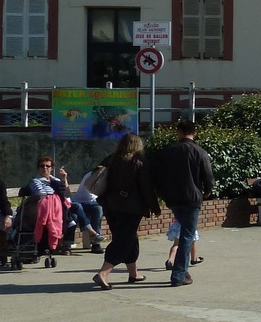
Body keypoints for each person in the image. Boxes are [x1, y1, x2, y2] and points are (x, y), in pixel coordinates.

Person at [92, 134, 161, 290]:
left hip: (110, 205)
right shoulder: (139, 162)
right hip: (130, 207)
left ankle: (133, 273)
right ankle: (103, 273)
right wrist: (154, 208)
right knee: (123, 240)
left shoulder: (110, 159)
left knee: (127, 237)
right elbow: (146, 188)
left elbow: (96, 175)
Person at [157, 120, 215, 287]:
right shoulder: (200, 152)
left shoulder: (168, 152)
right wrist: (207, 191)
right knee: (187, 236)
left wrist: (164, 194)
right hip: (192, 198)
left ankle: (182, 270)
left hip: (173, 198)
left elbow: (160, 175)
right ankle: (179, 274)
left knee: (184, 233)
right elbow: (208, 176)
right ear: (194, 133)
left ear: (179, 132)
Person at [28, 156, 71, 254]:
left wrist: (64, 179)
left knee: (77, 209)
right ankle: (64, 244)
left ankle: (66, 244)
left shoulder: (56, 181)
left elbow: (67, 194)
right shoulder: (36, 181)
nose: (45, 168)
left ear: (52, 168)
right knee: (73, 212)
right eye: (42, 166)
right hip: (45, 208)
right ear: (38, 168)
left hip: (59, 206)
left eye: (47, 166)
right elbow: (41, 195)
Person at [70, 170, 107, 253]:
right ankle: (95, 240)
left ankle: (95, 245)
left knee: (98, 209)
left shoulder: (108, 176)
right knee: (98, 209)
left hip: (91, 203)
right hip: (80, 202)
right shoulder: (93, 176)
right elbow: (90, 197)